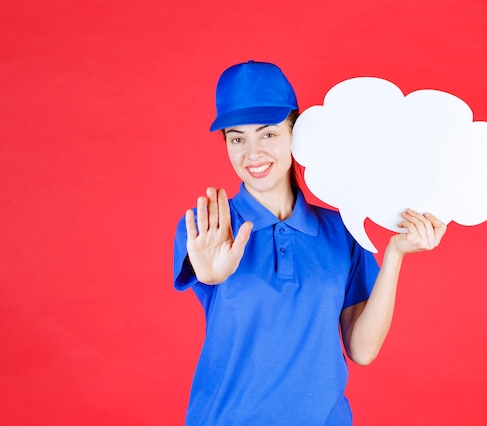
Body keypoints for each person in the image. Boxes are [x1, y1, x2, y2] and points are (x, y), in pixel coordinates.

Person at [173, 60, 447, 425]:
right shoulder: (208, 227)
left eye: (268, 133)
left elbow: (362, 350)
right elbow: (206, 273)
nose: (252, 152)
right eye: (237, 138)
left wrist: (396, 253)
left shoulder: (340, 230)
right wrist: (209, 277)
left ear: (295, 133)